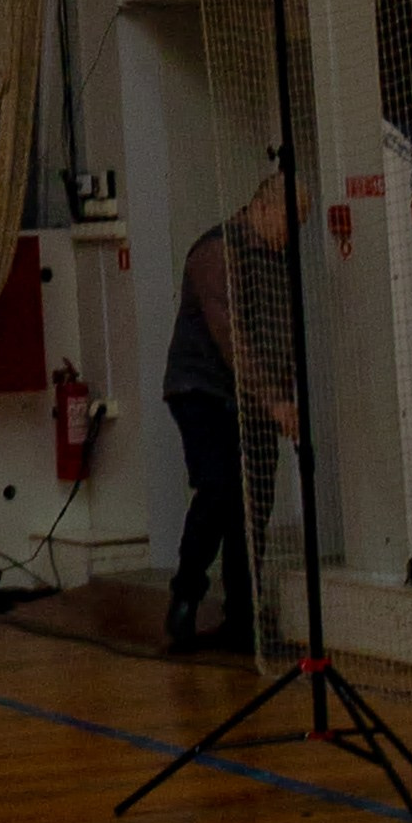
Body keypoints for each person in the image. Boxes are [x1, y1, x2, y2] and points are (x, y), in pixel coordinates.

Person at [163, 173, 300, 654]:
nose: (293, 234)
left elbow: (280, 333)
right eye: (290, 220)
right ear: (262, 207)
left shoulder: (279, 257)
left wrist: (285, 395)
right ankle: (186, 592)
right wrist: (274, 400)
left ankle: (242, 613)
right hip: (201, 387)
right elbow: (231, 338)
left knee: (254, 500)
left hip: (256, 396)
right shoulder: (214, 252)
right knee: (219, 487)